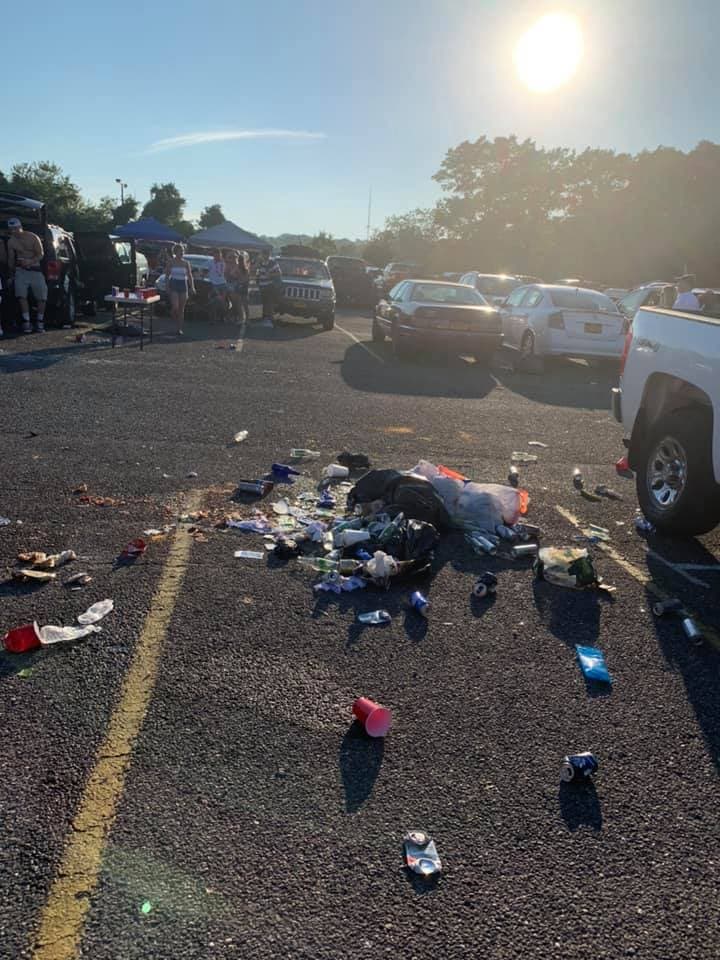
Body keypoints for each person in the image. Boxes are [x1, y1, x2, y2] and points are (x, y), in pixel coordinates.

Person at [7, 218, 47, 333]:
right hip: (21, 271)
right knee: (21, 296)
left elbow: (41, 254)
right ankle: (26, 321)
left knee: (42, 296)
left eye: (15, 228)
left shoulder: (33, 237)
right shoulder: (11, 241)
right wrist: (11, 274)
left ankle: (40, 321)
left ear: (20, 227)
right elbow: (10, 259)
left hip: (35, 269)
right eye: (11, 229)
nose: (14, 231)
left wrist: (30, 261)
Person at [164, 243, 195, 335]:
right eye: (179, 251)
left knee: (182, 309)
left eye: (182, 251)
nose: (181, 253)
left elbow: (190, 276)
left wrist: (192, 287)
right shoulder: (171, 262)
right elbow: (167, 275)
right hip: (174, 283)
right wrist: (167, 286)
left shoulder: (186, 263)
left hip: (183, 284)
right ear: (175, 252)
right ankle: (173, 314)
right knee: (175, 306)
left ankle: (179, 328)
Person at [257, 251, 281, 327]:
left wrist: (270, 274)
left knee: (269, 303)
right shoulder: (261, 263)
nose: (264, 256)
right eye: (263, 254)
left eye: (266, 254)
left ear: (268, 255)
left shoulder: (272, 262)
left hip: (269, 285)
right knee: (264, 303)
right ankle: (265, 319)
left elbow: (279, 273)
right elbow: (257, 271)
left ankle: (271, 321)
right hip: (262, 285)